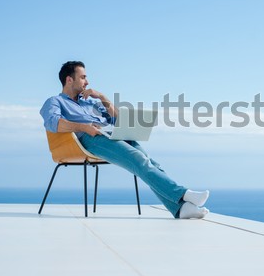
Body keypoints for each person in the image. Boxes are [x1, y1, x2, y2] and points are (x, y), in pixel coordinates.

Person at [40, 61, 209, 219]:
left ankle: (180, 209)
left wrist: (101, 97)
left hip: (109, 133)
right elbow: (53, 123)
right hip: (89, 139)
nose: (87, 82)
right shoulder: (55, 101)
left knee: (149, 162)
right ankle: (183, 194)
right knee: (138, 159)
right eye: (83, 77)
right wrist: (85, 127)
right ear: (69, 79)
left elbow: (118, 119)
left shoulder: (90, 102)